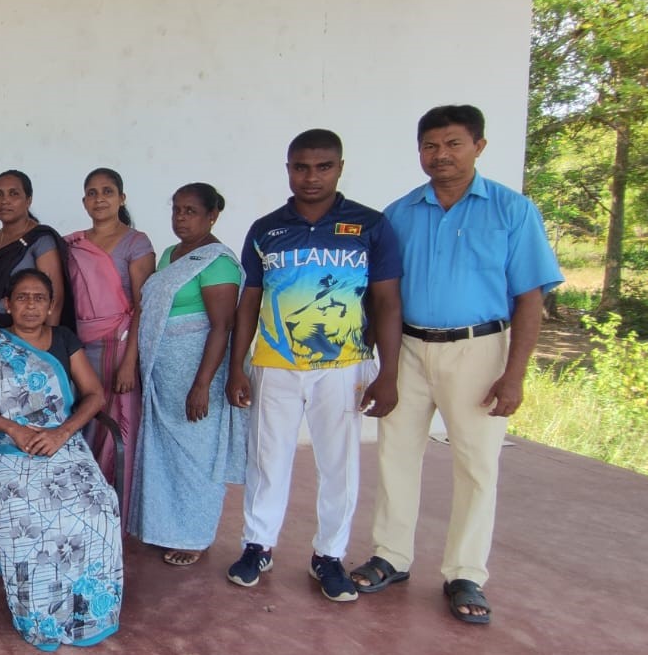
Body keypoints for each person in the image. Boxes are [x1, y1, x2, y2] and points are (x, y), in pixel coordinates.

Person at [350, 105, 562, 625]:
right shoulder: (399, 213)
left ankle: (465, 573)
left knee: (476, 464)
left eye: (453, 144)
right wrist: (377, 363)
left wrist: (514, 374)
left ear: (479, 147)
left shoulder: (512, 211)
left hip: (479, 350)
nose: (440, 155)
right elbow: (380, 294)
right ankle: (391, 556)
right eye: (430, 146)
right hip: (408, 347)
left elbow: (529, 299)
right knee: (396, 453)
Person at [223, 131, 403, 602]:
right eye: (301, 167)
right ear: (288, 169)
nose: (311, 177)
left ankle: (329, 555)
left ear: (340, 167)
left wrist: (388, 373)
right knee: (267, 459)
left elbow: (387, 302)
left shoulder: (370, 225)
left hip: (343, 366)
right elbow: (249, 301)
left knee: (338, 464)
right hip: (275, 362)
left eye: (323, 167)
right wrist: (237, 366)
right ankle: (257, 545)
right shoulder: (266, 229)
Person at [0, 269, 124, 650]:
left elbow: (95, 394)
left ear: (50, 306)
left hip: (62, 442)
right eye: (22, 297)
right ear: (8, 304)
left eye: (39, 298)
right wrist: (13, 429)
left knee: (98, 505)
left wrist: (63, 432)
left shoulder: (64, 339)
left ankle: (89, 613)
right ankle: (40, 616)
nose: (30, 305)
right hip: (9, 445)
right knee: (25, 511)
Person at [131, 183, 246, 566]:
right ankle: (166, 527)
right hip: (163, 374)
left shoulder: (218, 262)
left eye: (191, 211)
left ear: (212, 216)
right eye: (177, 210)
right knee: (164, 455)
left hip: (197, 373)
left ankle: (194, 536)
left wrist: (202, 385)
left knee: (197, 456)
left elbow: (222, 327)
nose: (181, 218)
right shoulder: (170, 255)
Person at [64, 167, 155, 512]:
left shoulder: (136, 242)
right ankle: (83, 506)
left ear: (121, 198)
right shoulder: (73, 244)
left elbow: (143, 306)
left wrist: (130, 362)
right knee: (83, 420)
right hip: (82, 347)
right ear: (83, 200)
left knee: (120, 425)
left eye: (107, 191)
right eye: (92, 192)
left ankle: (116, 510)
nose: (99, 199)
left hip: (121, 345)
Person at [0, 170, 69, 329]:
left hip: (28, 332)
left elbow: (55, 299)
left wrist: (47, 340)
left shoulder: (40, 240)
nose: (4, 201)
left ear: (28, 200)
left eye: (13, 194)